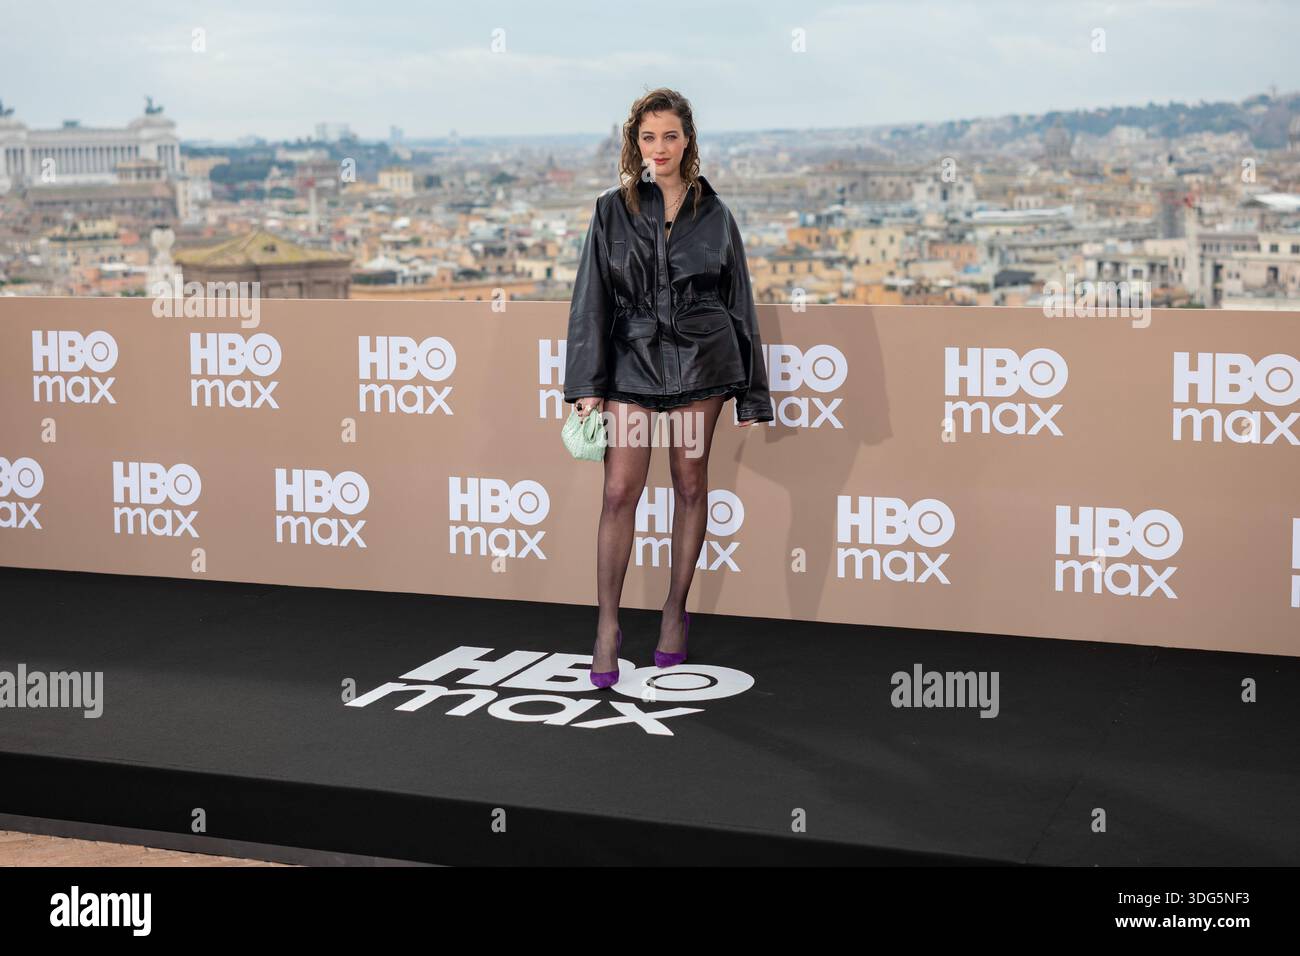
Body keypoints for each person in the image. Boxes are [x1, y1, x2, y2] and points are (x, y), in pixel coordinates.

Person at [563, 88, 775, 688]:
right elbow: (590, 301)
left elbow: (740, 304)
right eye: (648, 137)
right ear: (635, 142)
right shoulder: (611, 209)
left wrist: (752, 394)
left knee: (688, 484)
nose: (659, 148)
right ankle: (607, 626)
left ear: (688, 141)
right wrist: (587, 384)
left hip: (700, 367)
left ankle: (675, 611)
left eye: (670, 136)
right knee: (619, 492)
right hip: (631, 363)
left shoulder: (716, 214)